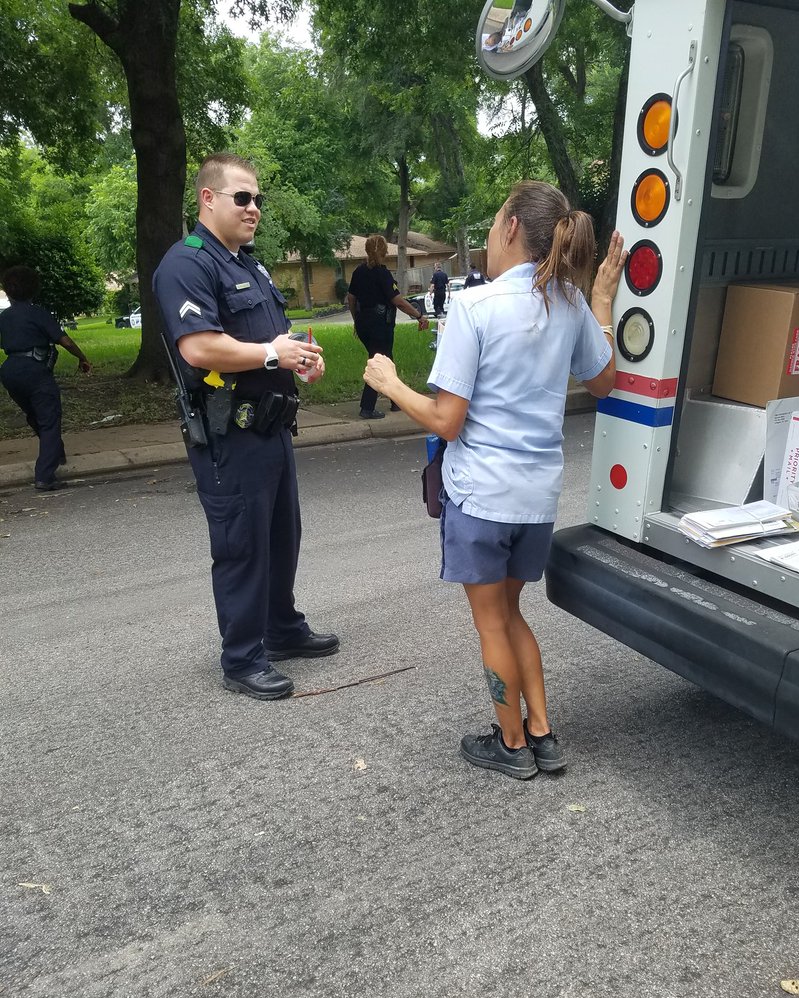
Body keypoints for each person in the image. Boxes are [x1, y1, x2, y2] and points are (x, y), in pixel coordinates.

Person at [364, 180, 626, 779]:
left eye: (495, 218)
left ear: (511, 228)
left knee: (491, 624)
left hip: (482, 497)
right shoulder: (570, 302)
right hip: (537, 500)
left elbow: (446, 421)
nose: (489, 230)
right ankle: (542, 734)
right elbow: (604, 382)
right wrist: (602, 300)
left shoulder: (475, 308)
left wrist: (390, 384)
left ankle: (511, 744)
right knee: (510, 614)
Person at [152, 152, 339, 701]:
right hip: (230, 435)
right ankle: (241, 658)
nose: (254, 207)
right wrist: (274, 354)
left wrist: (301, 358)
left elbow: (274, 337)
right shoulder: (188, 264)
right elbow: (199, 346)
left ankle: (281, 628)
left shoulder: (248, 265)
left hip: (272, 427)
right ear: (208, 199)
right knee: (242, 545)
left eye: (257, 198)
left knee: (282, 535)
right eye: (242, 197)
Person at [0, 266, 91, 492]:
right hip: (35, 370)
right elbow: (65, 341)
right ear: (34, 289)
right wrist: (82, 358)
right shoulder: (38, 313)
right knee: (49, 420)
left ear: (8, 291)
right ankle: (45, 476)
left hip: (10, 371)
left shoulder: (4, 317)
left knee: (35, 415)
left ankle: (57, 453)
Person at [347, 235, 428, 420]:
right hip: (380, 325)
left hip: (364, 324)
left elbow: (351, 298)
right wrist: (419, 316)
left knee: (387, 360)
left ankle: (396, 400)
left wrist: (356, 320)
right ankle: (367, 407)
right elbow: (398, 301)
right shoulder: (383, 274)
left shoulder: (359, 271)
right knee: (378, 363)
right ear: (384, 251)